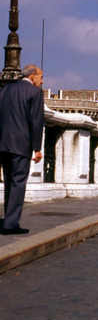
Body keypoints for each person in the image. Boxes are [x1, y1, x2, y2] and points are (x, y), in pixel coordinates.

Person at [0, 65, 44, 234]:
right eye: (40, 76)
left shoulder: (5, 90)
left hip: (3, 143)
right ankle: (10, 224)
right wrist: (37, 148)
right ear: (32, 76)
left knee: (9, 181)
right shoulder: (35, 93)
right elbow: (36, 121)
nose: (42, 80)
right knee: (18, 182)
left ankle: (8, 219)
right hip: (20, 144)